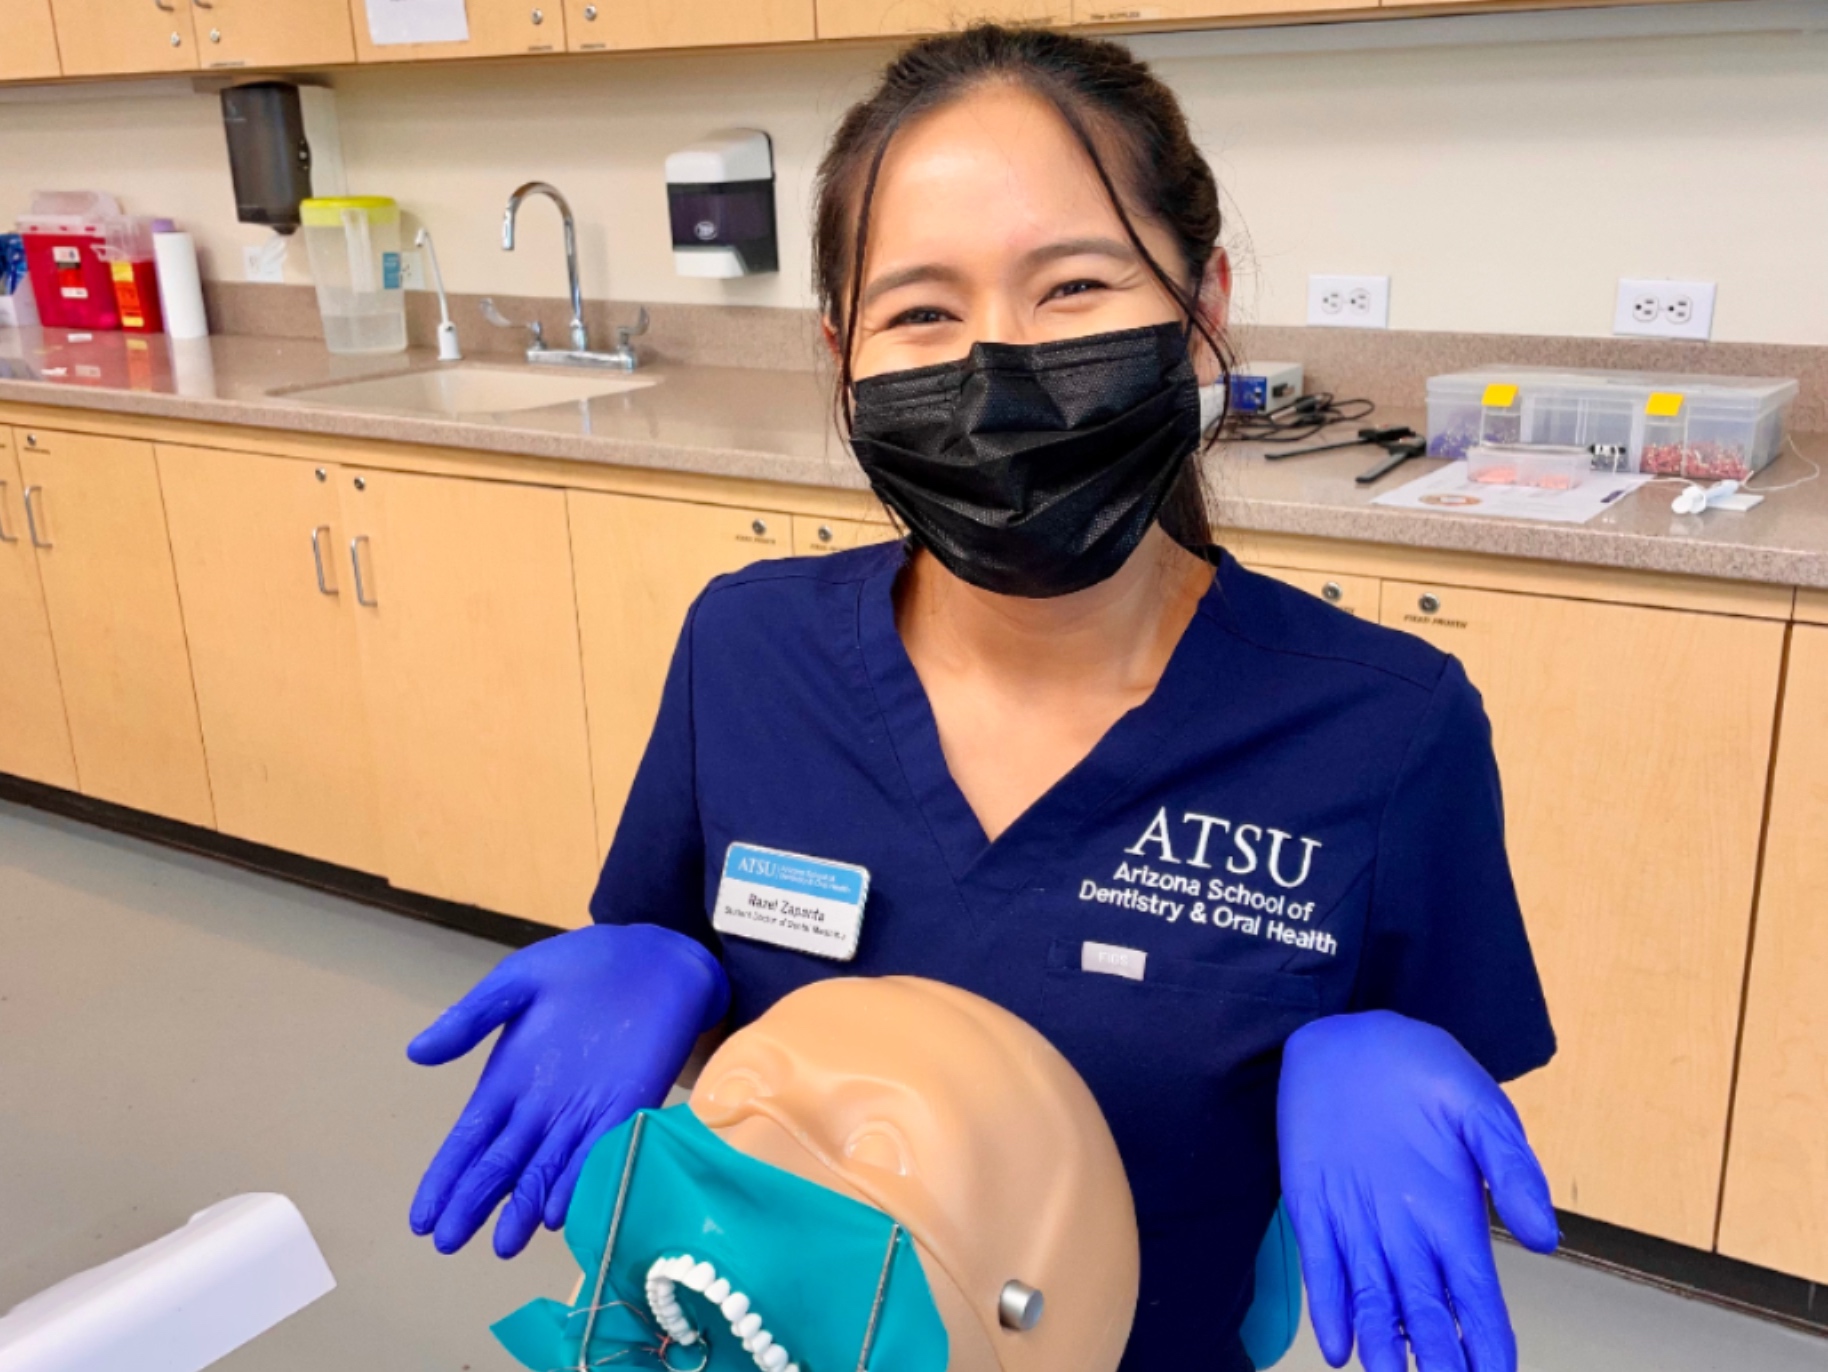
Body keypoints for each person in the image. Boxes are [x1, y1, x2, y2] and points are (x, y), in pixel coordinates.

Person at [404, 25, 1560, 1372]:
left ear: (1205, 302)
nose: (998, 368)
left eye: (1073, 288)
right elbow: (713, 1090)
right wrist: (669, 963)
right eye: (921, 312)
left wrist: (1385, 1053)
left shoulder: (1381, 728)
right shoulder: (749, 651)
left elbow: (1453, 1141)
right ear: (842, 353)